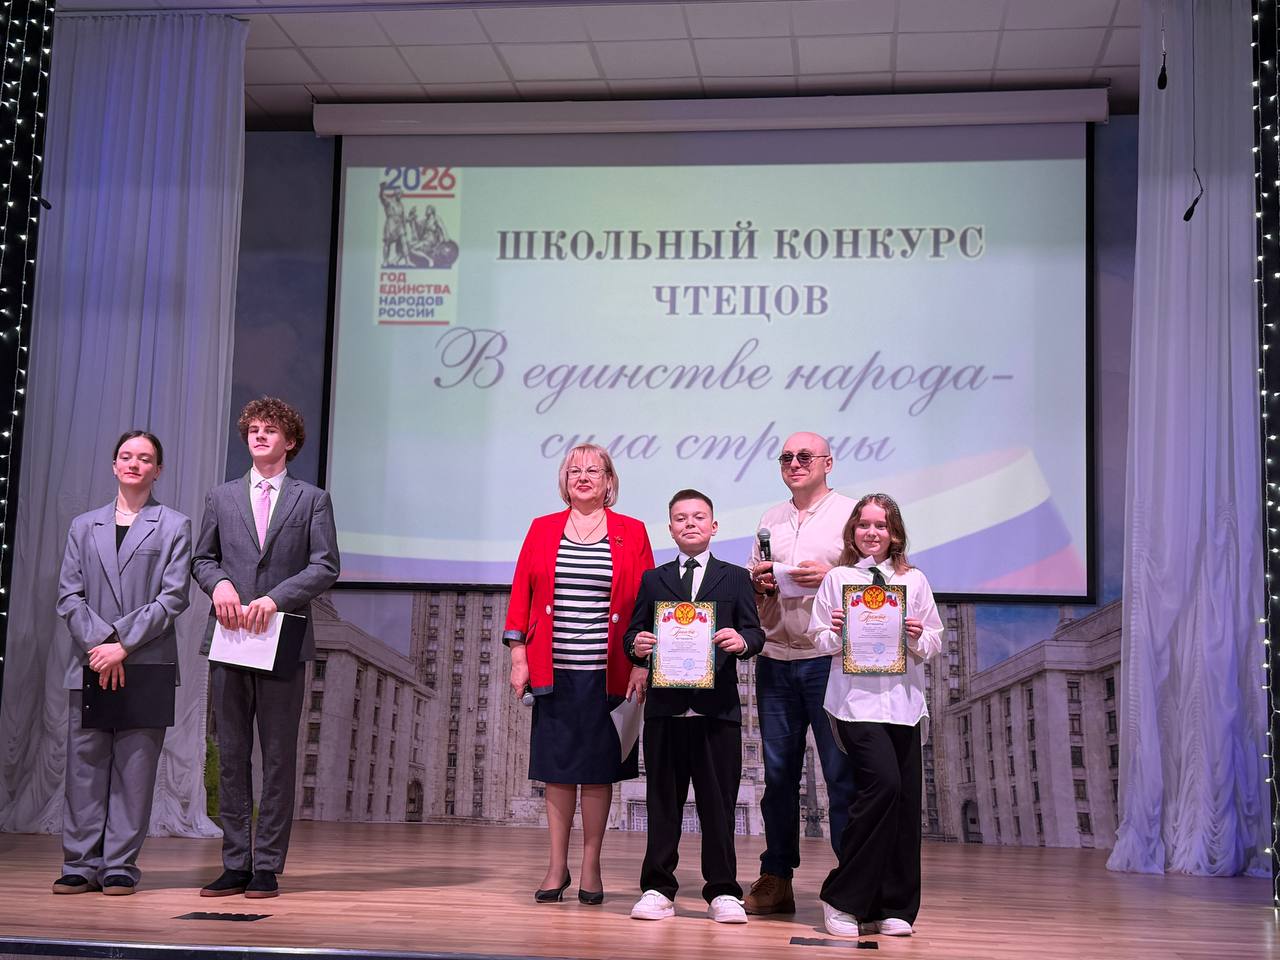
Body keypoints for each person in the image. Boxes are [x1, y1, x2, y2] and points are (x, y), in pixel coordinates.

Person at [192, 398, 340, 899]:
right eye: (253, 429)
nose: (259, 435)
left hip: (282, 639)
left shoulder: (312, 499)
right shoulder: (221, 496)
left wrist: (276, 599)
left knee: (277, 757)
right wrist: (219, 585)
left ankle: (268, 865)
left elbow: (325, 565)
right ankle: (235, 862)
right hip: (231, 636)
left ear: (290, 441)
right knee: (232, 754)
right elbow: (202, 558)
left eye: (270, 430)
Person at [504, 443, 653, 905]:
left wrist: (641, 663)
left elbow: (646, 603)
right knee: (558, 771)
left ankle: (591, 865)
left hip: (608, 672)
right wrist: (518, 655)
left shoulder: (632, 531)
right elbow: (522, 593)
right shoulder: (542, 528)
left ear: (609, 481)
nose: (583, 476)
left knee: (598, 771)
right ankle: (556, 866)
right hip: (554, 670)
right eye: (574, 470)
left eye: (593, 470)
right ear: (564, 481)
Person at [53, 431, 192, 895]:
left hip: (145, 662)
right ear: (114, 465)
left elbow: (173, 597)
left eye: (145, 458)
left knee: (135, 771)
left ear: (158, 470)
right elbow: (68, 595)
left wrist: (122, 646)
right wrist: (102, 644)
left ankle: (119, 864)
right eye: (126, 456)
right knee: (84, 767)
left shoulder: (174, 525)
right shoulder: (83, 526)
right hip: (91, 660)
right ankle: (80, 862)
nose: (134, 463)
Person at [624, 490, 765, 924]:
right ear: (670, 529)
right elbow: (631, 634)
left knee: (718, 806)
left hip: (716, 709)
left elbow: (755, 633)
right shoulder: (654, 579)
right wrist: (636, 646)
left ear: (713, 526)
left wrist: (742, 641)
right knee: (662, 802)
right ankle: (657, 888)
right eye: (681, 518)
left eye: (699, 517)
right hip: (665, 708)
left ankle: (723, 891)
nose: (690, 523)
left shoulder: (736, 578)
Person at [807, 494, 942, 938]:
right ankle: (842, 898)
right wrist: (836, 631)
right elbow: (817, 638)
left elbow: (934, 642)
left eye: (880, 525)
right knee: (883, 786)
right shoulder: (839, 579)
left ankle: (895, 905)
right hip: (855, 704)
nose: (871, 532)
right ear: (853, 531)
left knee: (904, 802)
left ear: (895, 533)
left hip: (904, 704)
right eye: (863, 524)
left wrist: (918, 636)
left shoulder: (914, 581)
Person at [743, 431, 857, 914]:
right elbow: (756, 581)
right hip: (776, 658)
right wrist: (760, 584)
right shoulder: (770, 518)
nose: (794, 463)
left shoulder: (851, 514)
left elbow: (877, 580)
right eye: (786, 456)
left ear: (828, 463)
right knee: (778, 777)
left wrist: (830, 576)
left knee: (841, 775)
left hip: (829, 660)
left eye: (805, 456)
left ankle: (851, 881)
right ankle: (777, 875)